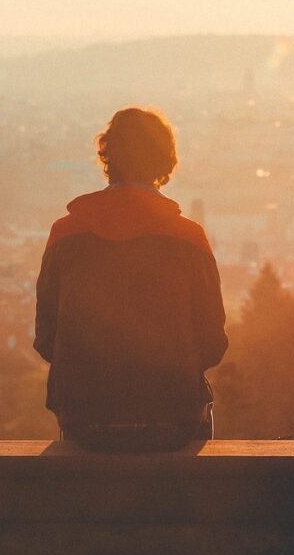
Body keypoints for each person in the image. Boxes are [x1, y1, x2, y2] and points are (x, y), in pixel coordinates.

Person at [34, 107, 228, 452]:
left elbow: (47, 336)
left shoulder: (64, 234)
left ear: (108, 157)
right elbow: (212, 341)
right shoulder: (189, 238)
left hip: (86, 420)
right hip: (173, 419)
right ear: (164, 161)